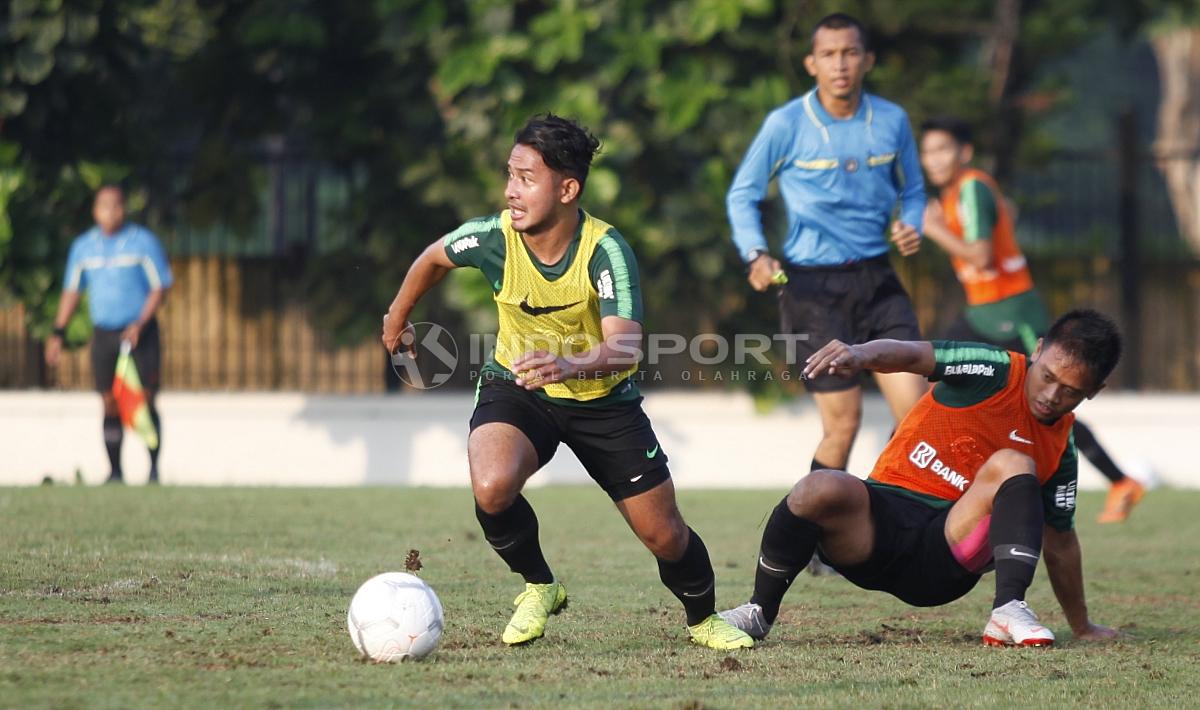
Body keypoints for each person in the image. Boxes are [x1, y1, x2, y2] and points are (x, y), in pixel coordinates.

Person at [381, 114, 753, 650]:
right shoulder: (494, 238)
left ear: (567, 188)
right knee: (491, 486)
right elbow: (434, 256)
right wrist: (397, 316)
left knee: (664, 534)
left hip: (603, 401)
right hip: (520, 387)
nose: (510, 191)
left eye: (525, 178)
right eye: (509, 175)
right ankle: (540, 584)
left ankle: (703, 619)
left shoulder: (605, 250)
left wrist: (570, 365)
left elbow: (626, 345)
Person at [720, 310, 1125, 647]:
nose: (1052, 395)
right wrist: (860, 354)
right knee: (818, 486)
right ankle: (759, 612)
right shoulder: (994, 368)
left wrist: (1082, 625)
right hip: (874, 531)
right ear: (1037, 350)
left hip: (943, 555)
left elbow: (1061, 543)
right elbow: (912, 356)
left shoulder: (1061, 447)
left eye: (1071, 391)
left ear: (1094, 391)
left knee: (1014, 464)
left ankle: (1007, 610)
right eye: (1049, 376)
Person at [726, 12, 928, 487]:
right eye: (829, 55)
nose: (841, 64)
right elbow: (743, 193)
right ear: (811, 63)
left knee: (921, 416)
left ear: (868, 60)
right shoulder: (786, 123)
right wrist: (756, 254)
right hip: (813, 292)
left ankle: (889, 519)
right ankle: (815, 538)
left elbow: (914, 190)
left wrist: (910, 225)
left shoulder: (892, 121)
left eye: (851, 52)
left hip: (879, 280)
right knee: (843, 425)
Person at [918, 116, 1146, 523]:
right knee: (935, 383)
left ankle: (1120, 481)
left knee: (1049, 403)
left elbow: (980, 256)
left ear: (964, 152)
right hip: (982, 312)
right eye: (927, 151)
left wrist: (932, 230)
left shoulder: (970, 186)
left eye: (942, 149)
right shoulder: (962, 192)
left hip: (1011, 313)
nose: (933, 159)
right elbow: (1009, 212)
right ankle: (928, 481)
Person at [45, 185, 172, 485]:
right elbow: (72, 291)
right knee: (108, 399)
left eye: (115, 206)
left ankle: (154, 471)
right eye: (103, 206)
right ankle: (115, 472)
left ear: (124, 208)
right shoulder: (84, 247)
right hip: (105, 333)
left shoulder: (142, 242)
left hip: (140, 332)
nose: (109, 212)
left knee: (146, 399)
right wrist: (58, 332)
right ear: (94, 210)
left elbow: (160, 287)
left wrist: (140, 323)